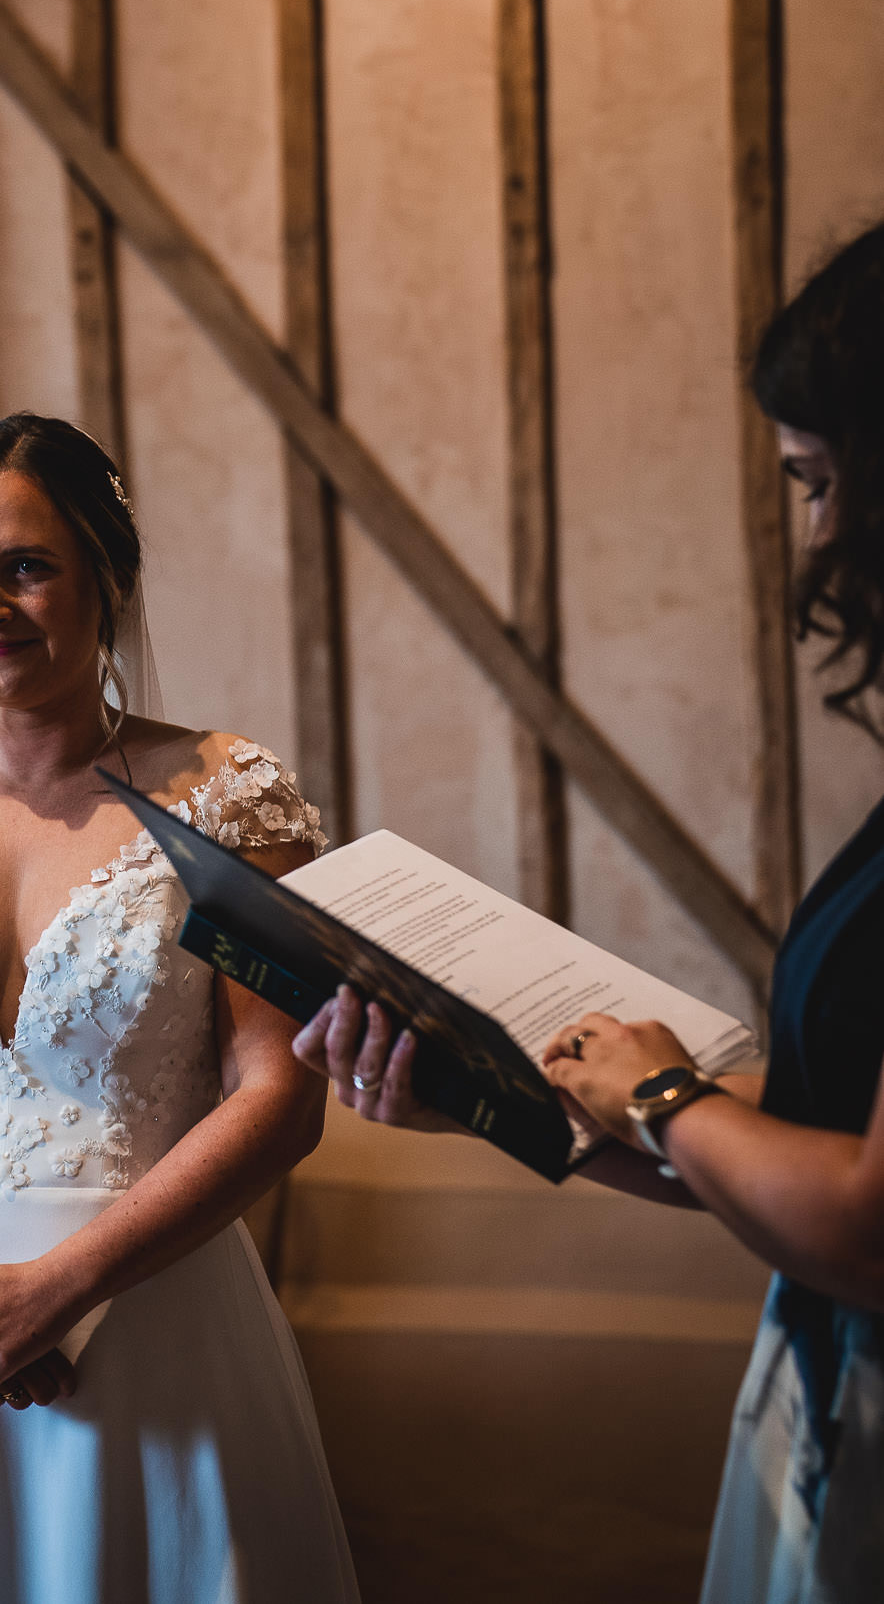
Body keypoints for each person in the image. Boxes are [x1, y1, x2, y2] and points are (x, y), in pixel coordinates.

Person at [296, 221, 884, 1602]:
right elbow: (786, 1171)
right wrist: (495, 1103)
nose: (816, 538)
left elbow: (864, 1225)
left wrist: (666, 1082)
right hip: (819, 1384)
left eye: (818, 482)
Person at [0, 413, 358, 1603]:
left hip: (158, 1330)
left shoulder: (225, 792)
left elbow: (281, 1094)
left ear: (108, 578)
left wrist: (61, 1284)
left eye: (27, 566)